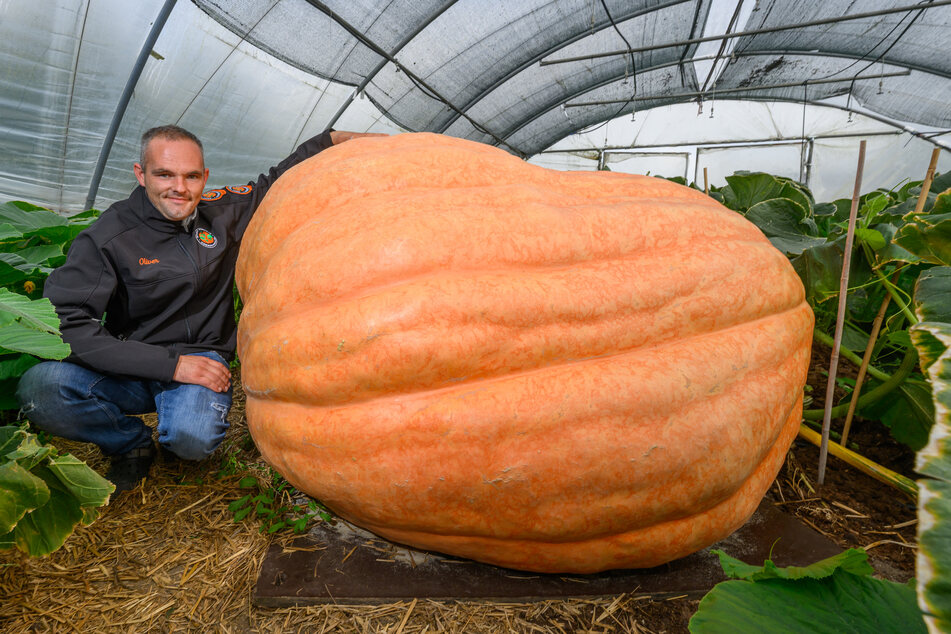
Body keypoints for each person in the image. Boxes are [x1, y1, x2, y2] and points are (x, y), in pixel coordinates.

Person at [16, 125, 380, 493]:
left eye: (192, 176)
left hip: (203, 358)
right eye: (164, 174)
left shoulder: (220, 213)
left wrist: (331, 139)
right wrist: (171, 365)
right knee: (41, 388)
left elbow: (274, 182)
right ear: (140, 174)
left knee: (192, 440)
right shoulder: (107, 238)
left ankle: (176, 436)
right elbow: (69, 324)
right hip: (131, 362)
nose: (180, 188)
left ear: (205, 177)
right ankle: (130, 444)